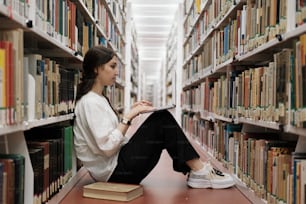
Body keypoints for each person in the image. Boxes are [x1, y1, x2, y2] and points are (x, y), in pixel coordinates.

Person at [73, 45, 235, 189]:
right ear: (96, 69)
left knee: (161, 119)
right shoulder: (90, 102)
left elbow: (108, 137)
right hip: (114, 172)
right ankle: (199, 170)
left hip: (116, 165)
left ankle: (196, 169)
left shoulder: (98, 99)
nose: (117, 72)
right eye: (112, 66)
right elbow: (107, 148)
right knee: (162, 119)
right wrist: (128, 117)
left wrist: (132, 112)